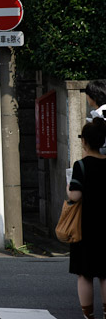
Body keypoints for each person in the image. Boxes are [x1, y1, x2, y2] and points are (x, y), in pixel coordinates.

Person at [67, 118, 106, 319]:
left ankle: (89, 315)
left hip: (86, 225)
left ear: (85, 142)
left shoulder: (81, 166)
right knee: (105, 273)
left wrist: (68, 187)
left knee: (86, 273)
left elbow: (75, 195)